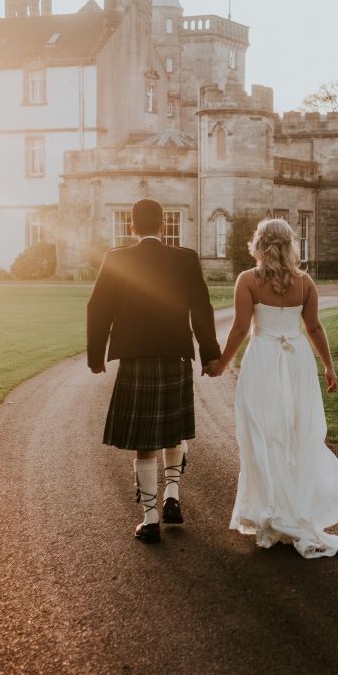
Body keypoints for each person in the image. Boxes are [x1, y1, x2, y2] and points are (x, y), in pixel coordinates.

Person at [215, 218, 338, 558]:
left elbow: (239, 329)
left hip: (264, 359)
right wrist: (328, 365)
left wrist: (222, 364)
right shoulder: (304, 282)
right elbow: (313, 327)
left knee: (262, 432)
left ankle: (271, 509)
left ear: (258, 245)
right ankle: (290, 508)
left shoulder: (248, 280)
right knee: (296, 433)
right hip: (296, 361)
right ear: (290, 244)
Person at [87, 199, 220, 544]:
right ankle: (172, 494)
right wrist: (209, 354)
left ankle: (150, 519)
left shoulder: (116, 258)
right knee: (172, 430)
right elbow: (202, 308)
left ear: (132, 227)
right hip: (174, 356)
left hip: (135, 359)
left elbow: (97, 307)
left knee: (145, 441)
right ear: (163, 227)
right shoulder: (185, 258)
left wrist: (95, 354)